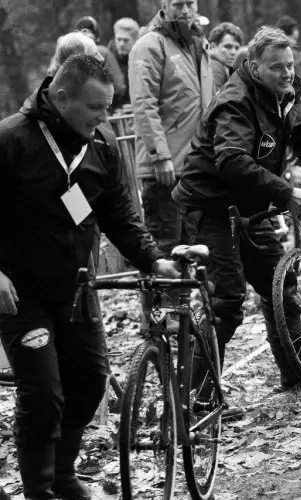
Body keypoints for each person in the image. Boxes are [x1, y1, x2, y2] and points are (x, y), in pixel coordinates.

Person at [0, 54, 178, 500]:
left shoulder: (102, 145)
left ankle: (63, 476)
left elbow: (118, 215)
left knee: (89, 382)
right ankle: (40, 490)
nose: (105, 117)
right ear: (62, 98)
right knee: (43, 394)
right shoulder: (11, 140)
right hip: (20, 295)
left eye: (108, 108)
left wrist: (153, 260)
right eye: (96, 108)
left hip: (77, 288)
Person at [172, 26, 301, 390]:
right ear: (254, 68)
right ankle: (193, 398)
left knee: (281, 288)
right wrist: (285, 192)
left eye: (290, 65)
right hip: (209, 207)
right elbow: (232, 161)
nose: (287, 73)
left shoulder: (286, 95)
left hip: (252, 207)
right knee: (227, 302)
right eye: (277, 67)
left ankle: (298, 374)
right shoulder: (235, 102)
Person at [128, 0, 214, 256]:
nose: (186, 10)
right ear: (164, 5)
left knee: (194, 249)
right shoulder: (149, 45)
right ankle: (164, 298)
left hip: (194, 165)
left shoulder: (196, 43)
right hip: (164, 169)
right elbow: (144, 103)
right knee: (165, 250)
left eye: (190, 3)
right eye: (178, 4)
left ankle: (186, 298)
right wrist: (160, 156)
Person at [73, 16, 127, 107]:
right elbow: (119, 87)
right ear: (96, 36)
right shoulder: (103, 52)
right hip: (104, 107)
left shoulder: (66, 53)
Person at [109, 18, 140, 110]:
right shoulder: (107, 58)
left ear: (135, 40)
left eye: (126, 40)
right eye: (118, 39)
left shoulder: (141, 57)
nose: (121, 44)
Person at [208, 22, 244, 92]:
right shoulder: (215, 67)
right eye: (228, 46)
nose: (233, 52)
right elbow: (214, 101)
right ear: (213, 46)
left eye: (236, 48)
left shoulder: (225, 67)